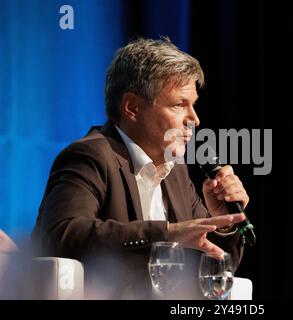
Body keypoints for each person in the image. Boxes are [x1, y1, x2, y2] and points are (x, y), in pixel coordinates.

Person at [31, 38, 250, 299]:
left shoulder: (176, 172)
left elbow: (215, 267)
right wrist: (167, 234)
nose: (194, 119)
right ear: (132, 107)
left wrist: (222, 221)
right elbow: (63, 235)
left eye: (194, 105)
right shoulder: (90, 156)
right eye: (179, 104)